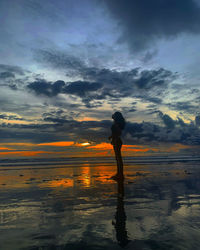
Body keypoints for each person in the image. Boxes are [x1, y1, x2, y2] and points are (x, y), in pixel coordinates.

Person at [108, 112, 126, 180]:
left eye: (115, 115)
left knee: (118, 159)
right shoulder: (117, 123)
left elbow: (118, 133)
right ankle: (119, 174)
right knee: (118, 159)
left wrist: (114, 138)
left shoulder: (117, 124)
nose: (113, 116)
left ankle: (120, 175)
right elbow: (116, 132)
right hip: (117, 140)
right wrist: (111, 136)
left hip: (117, 141)